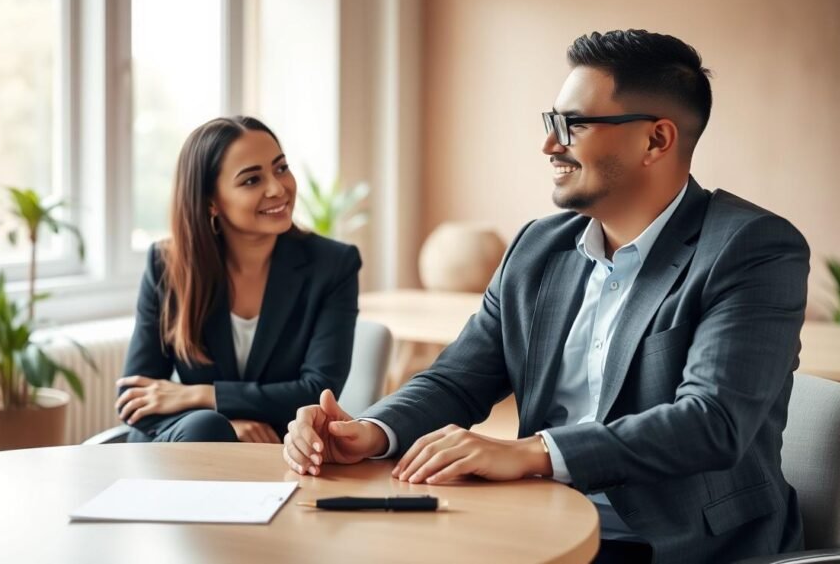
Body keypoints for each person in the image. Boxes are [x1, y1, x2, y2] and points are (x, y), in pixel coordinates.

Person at [281, 30, 809, 563]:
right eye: (550, 122)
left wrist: (531, 452)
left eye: (572, 124)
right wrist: (371, 430)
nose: (550, 145)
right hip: (538, 521)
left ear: (656, 140)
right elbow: (458, 379)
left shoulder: (751, 248)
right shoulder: (539, 246)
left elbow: (710, 422)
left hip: (676, 543)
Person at [117, 116, 361, 445]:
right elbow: (136, 396)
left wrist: (205, 396)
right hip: (175, 450)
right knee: (206, 428)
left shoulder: (333, 266)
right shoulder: (167, 265)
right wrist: (226, 423)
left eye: (281, 168)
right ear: (211, 202)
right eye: (251, 180)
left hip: (277, 449)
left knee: (209, 425)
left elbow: (316, 392)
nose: (277, 188)